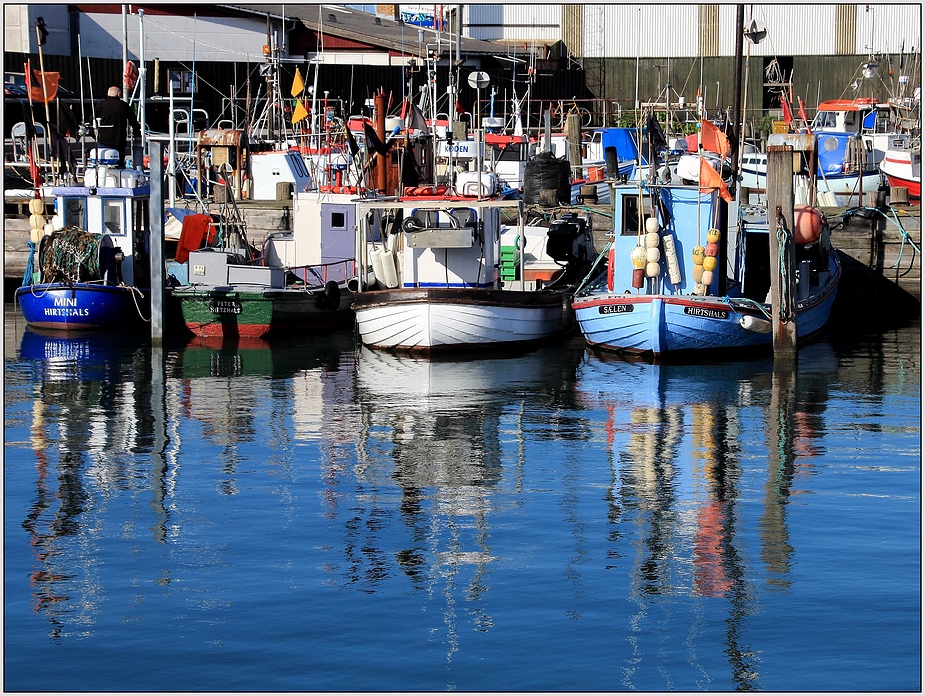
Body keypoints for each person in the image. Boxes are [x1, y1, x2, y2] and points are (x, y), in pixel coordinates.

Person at [96, 86, 140, 167]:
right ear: (118, 94)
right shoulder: (123, 105)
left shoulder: (101, 105)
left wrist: (94, 133)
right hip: (119, 139)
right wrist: (137, 133)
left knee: (103, 163)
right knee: (119, 163)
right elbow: (133, 121)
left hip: (103, 138)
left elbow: (92, 119)